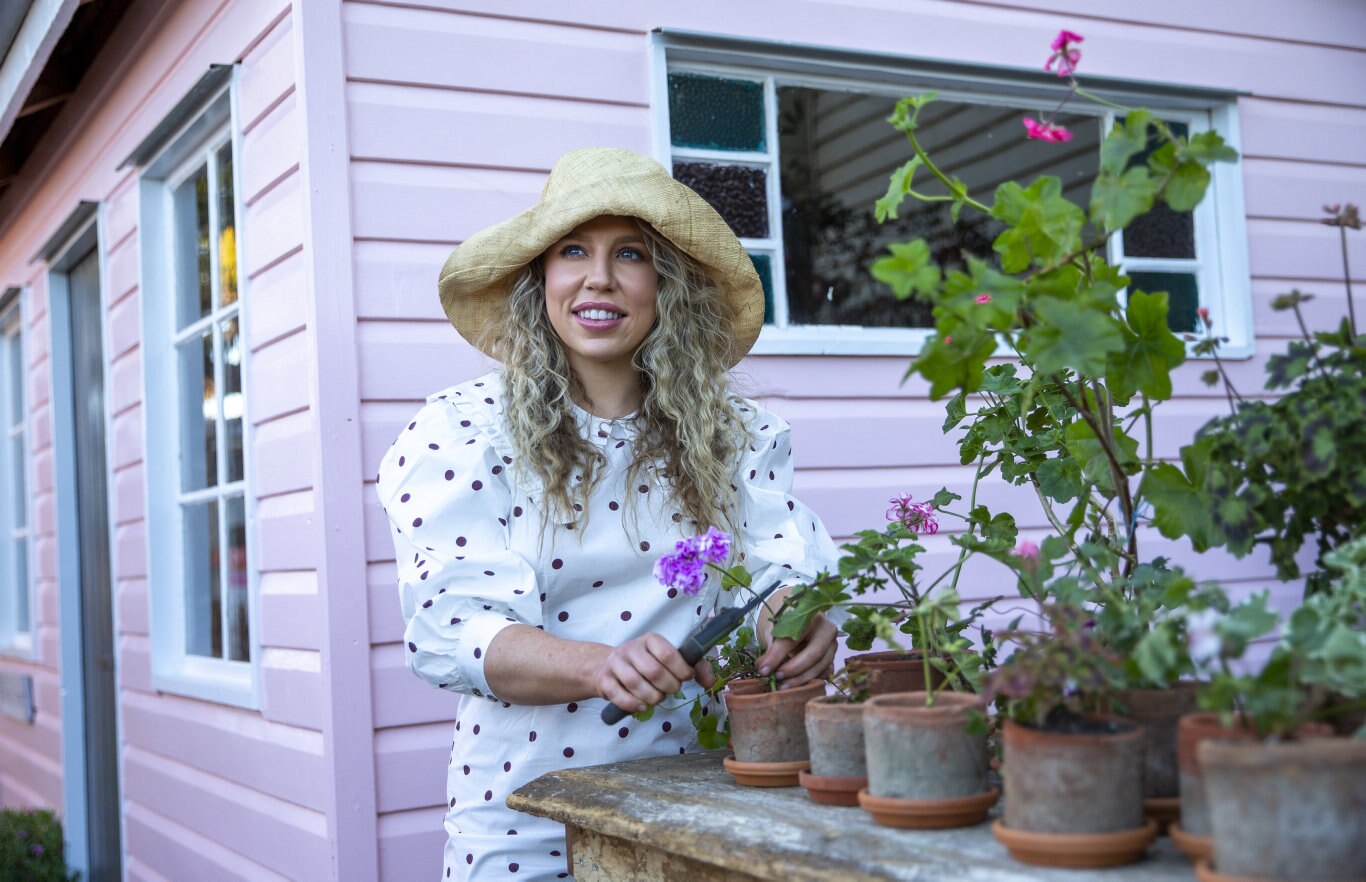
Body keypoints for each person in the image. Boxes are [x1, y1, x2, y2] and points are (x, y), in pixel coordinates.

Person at [375, 147, 840, 881]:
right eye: (573, 252)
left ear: (669, 285)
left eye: (630, 253)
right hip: (528, 811)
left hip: (704, 794)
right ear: (542, 281)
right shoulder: (461, 432)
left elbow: (780, 565)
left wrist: (791, 619)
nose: (599, 277)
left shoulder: (739, 435)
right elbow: (455, 629)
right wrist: (603, 667)